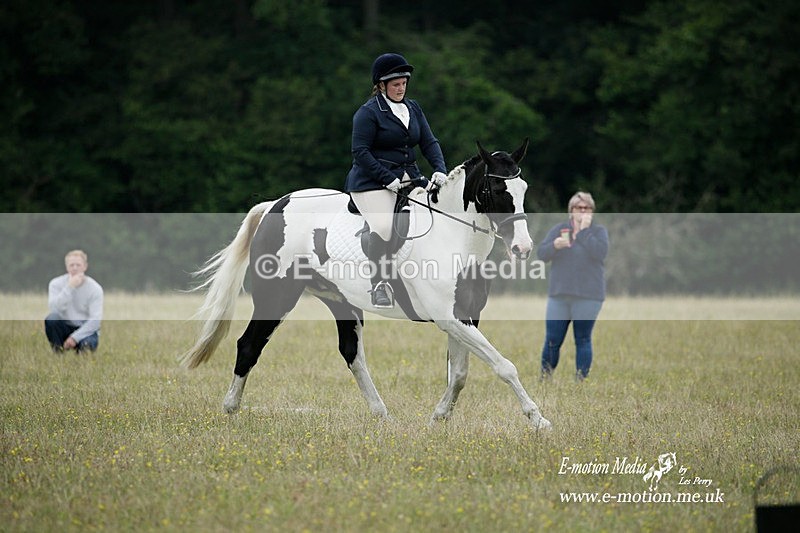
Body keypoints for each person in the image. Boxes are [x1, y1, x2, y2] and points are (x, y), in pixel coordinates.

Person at [345, 52, 448, 308]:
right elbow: (360, 152)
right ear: (381, 85)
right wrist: (386, 177)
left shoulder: (413, 108)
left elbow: (429, 141)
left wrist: (440, 169)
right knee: (383, 226)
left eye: (404, 83)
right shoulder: (367, 113)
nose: (401, 88)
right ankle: (379, 283)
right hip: (370, 181)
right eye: (395, 84)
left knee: (433, 214)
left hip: (408, 178)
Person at [537, 192, 609, 380]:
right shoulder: (559, 229)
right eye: (579, 208)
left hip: (589, 296)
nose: (583, 211)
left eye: (587, 208)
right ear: (571, 211)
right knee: (552, 340)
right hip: (560, 295)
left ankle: (580, 380)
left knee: (583, 339)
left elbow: (600, 253)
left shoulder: (598, 231)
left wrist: (584, 232)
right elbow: (541, 254)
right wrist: (555, 245)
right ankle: (545, 377)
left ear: (592, 211)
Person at [45, 250, 104, 353]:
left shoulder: (95, 288)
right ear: (66, 267)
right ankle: (58, 353)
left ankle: (82, 353)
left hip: (85, 330)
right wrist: (70, 287)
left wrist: (74, 338)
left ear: (85, 266)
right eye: (71, 265)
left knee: (86, 348)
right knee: (51, 319)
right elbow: (54, 309)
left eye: (78, 265)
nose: (75, 268)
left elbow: (95, 321)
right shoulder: (55, 284)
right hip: (64, 327)